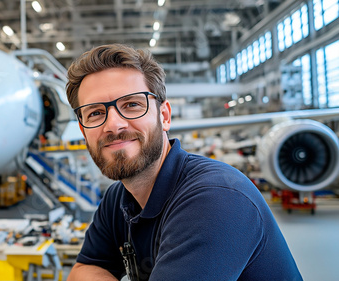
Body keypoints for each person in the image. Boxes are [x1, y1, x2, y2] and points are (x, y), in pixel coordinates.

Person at [65, 44, 302, 281]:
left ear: (165, 116)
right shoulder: (118, 199)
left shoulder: (216, 198)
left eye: (132, 105)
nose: (113, 125)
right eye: (95, 113)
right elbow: (84, 269)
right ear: (83, 131)